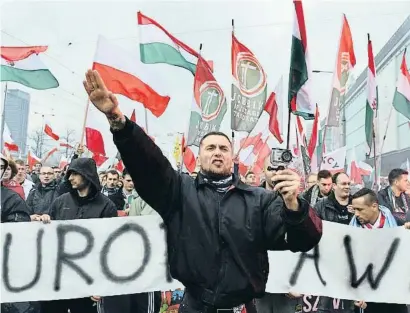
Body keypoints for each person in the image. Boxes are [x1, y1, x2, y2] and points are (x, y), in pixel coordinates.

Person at [83, 69, 323, 312]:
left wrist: (294, 206)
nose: (217, 152)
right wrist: (118, 121)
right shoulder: (179, 192)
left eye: (223, 148)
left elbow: (303, 241)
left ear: (232, 158)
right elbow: (149, 165)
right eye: (210, 148)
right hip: (195, 305)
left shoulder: (260, 200)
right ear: (199, 158)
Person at [350, 188, 409, 313]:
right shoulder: (350, 230)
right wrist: (354, 293)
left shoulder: (398, 224)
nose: (356, 214)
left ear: (374, 206)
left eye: (360, 209)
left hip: (394, 296)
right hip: (365, 296)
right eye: (354, 209)